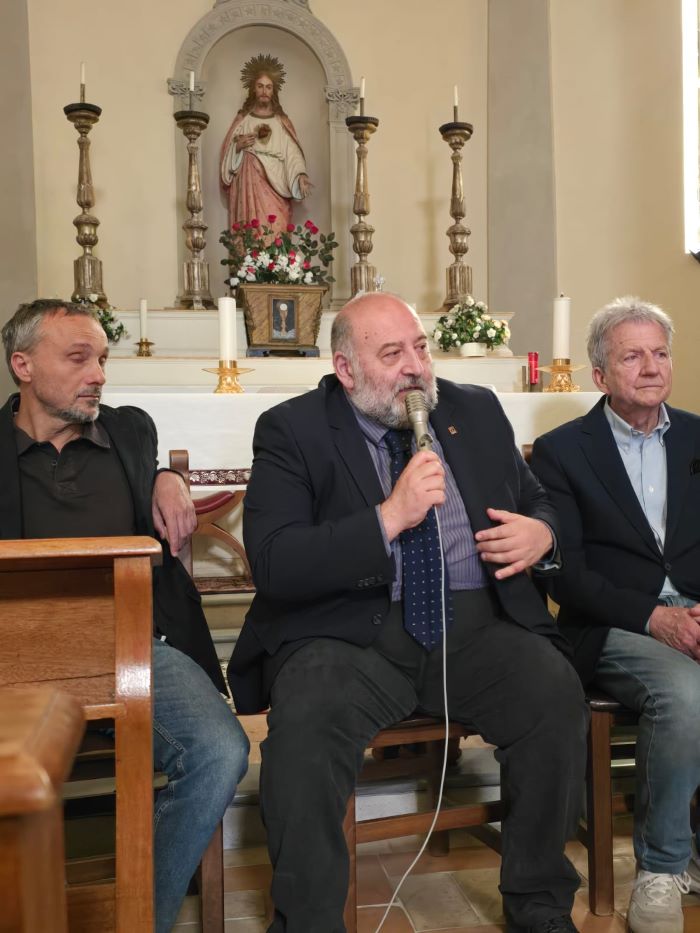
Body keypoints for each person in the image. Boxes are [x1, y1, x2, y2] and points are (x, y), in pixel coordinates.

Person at [227, 292, 587, 933]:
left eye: (420, 348)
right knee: (306, 729)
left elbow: (537, 499)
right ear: (345, 369)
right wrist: (389, 518)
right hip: (349, 636)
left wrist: (543, 533)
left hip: (475, 626)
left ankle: (539, 903)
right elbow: (276, 561)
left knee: (553, 693)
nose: (416, 367)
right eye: (392, 354)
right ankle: (309, 923)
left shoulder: (474, 409)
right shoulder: (294, 429)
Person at [0, 299, 249, 933]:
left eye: (103, 359)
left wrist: (169, 478)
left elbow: (151, 469)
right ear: (22, 366)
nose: (99, 375)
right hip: (17, 656)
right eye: (78, 358)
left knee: (220, 752)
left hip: (135, 646)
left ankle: (140, 920)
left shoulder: (131, 431)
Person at [530, 297, 700, 933]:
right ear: (600, 375)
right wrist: (656, 619)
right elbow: (564, 573)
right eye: (633, 356)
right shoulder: (561, 452)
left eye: (660, 353)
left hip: (694, 610)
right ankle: (661, 870)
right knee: (685, 693)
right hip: (612, 624)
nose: (651, 367)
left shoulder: (698, 435)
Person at [220, 54, 311, 237]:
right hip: (249, 181)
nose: (264, 91)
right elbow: (227, 156)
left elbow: (292, 153)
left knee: (275, 230)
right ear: (253, 89)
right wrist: (238, 148)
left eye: (268, 87)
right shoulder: (243, 120)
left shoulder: (281, 122)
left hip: (276, 185)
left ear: (273, 91)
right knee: (251, 232)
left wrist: (300, 174)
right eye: (260, 86)